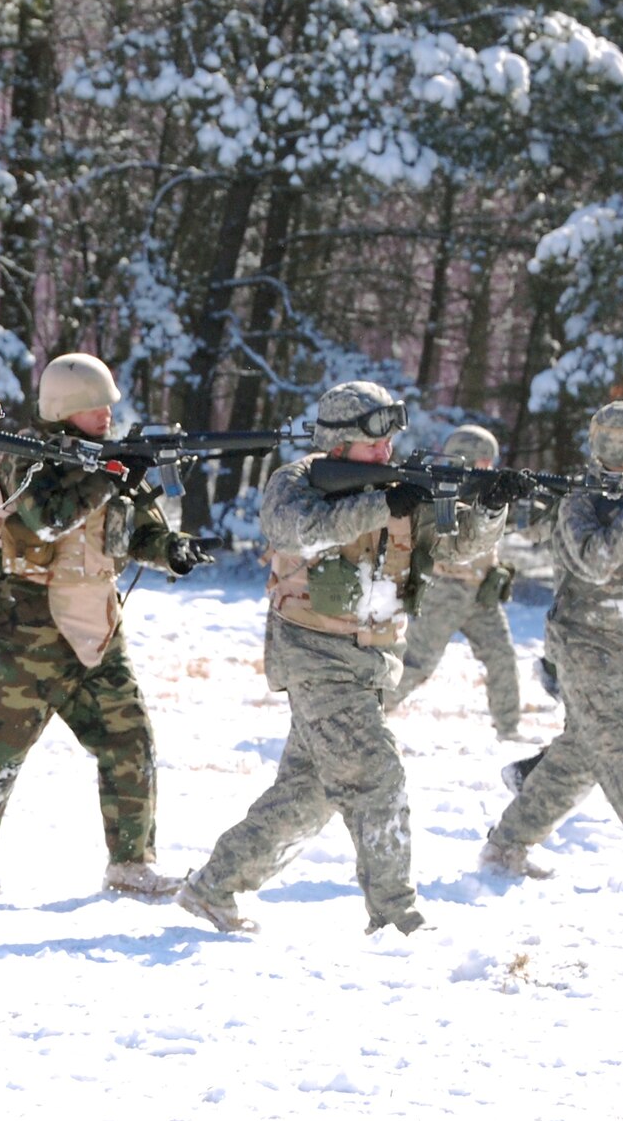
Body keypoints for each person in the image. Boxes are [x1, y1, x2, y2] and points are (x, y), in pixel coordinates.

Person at [177, 381, 525, 935]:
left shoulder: (402, 487)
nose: (387, 452)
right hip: (314, 655)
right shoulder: (295, 483)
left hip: (369, 663)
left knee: (309, 796)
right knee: (377, 778)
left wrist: (489, 508)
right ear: (339, 444)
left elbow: (459, 546)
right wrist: (380, 503)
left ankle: (212, 887)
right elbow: (296, 528)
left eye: (390, 442)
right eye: (375, 443)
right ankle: (395, 916)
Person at [0, 353, 211, 899]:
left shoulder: (110, 463)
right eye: (95, 406)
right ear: (66, 409)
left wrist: (172, 550)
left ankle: (132, 863)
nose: (108, 414)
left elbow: (137, 531)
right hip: (27, 627)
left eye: (109, 404)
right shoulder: (22, 455)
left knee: (130, 737)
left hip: (95, 624)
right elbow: (49, 517)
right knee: (1, 746)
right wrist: (111, 475)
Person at [480, 401, 623, 894]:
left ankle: (505, 846)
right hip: (583, 647)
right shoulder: (580, 503)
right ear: (620, 454)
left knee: (576, 761)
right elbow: (596, 562)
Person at [385, 424, 523, 739]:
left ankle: (509, 727)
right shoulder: (443, 487)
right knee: (418, 663)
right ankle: (372, 713)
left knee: (502, 657)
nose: (489, 467)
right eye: (483, 460)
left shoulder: (487, 488)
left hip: (480, 592)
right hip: (444, 592)